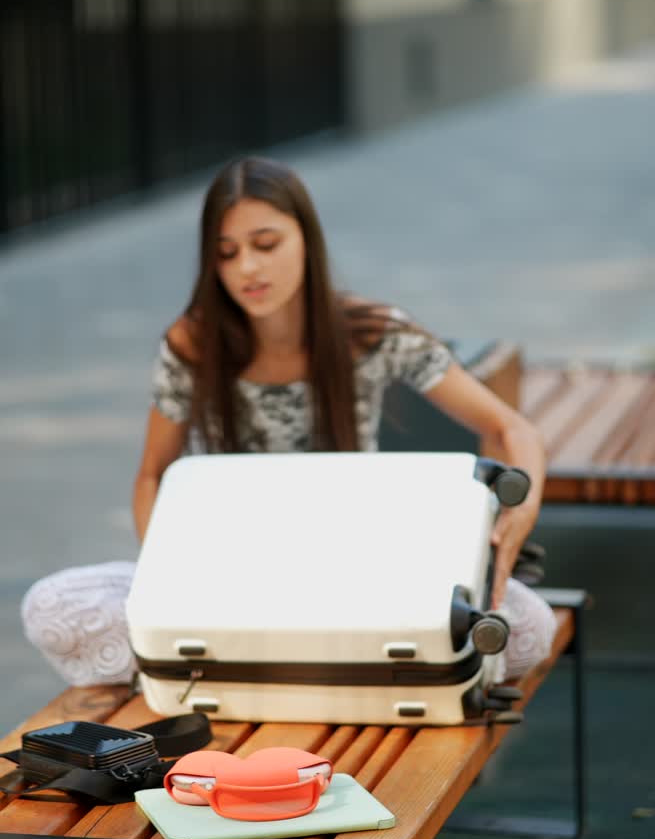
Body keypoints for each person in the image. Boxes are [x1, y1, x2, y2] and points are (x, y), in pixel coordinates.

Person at [21, 156, 555, 687]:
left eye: (266, 244)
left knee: (529, 627)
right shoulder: (193, 344)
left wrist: (517, 517)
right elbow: (152, 475)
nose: (248, 268)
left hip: (356, 568)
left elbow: (512, 430)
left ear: (306, 238)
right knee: (51, 607)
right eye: (227, 254)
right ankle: (308, 662)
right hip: (231, 572)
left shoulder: (373, 332)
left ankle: (261, 664)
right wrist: (164, 584)